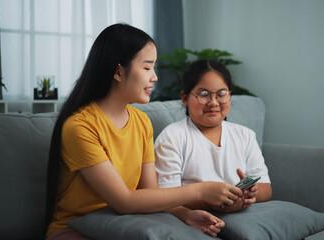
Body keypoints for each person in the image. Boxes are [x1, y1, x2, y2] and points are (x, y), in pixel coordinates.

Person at [44, 24, 243, 239]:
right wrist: (201, 190)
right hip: (75, 228)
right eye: (147, 67)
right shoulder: (80, 126)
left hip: (122, 224)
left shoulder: (141, 122)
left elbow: (149, 194)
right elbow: (123, 201)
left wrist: (186, 215)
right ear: (119, 71)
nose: (155, 77)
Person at [155, 60, 272, 215]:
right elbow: (165, 195)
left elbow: (266, 188)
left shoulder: (245, 135)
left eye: (221, 94)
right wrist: (209, 202)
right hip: (196, 216)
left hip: (242, 213)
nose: (214, 103)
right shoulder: (172, 137)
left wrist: (250, 194)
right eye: (204, 94)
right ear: (184, 98)